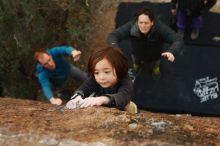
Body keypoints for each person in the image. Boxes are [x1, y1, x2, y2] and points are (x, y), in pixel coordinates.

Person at [106, 7, 184, 81]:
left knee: (156, 64)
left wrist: (172, 52)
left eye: (146, 23)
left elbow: (178, 39)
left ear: (152, 22)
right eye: (141, 22)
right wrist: (115, 49)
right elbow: (112, 36)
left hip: (155, 54)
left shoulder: (160, 27)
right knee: (135, 62)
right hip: (136, 53)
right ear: (137, 21)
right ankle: (136, 67)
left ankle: (156, 70)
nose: (143, 26)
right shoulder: (131, 26)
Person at [66, 46, 138, 114]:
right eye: (96, 73)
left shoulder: (125, 80)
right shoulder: (94, 79)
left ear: (119, 68)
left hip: (122, 107)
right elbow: (84, 88)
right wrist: (78, 97)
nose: (101, 77)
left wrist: (103, 99)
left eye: (106, 72)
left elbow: (123, 96)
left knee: (130, 106)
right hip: (101, 107)